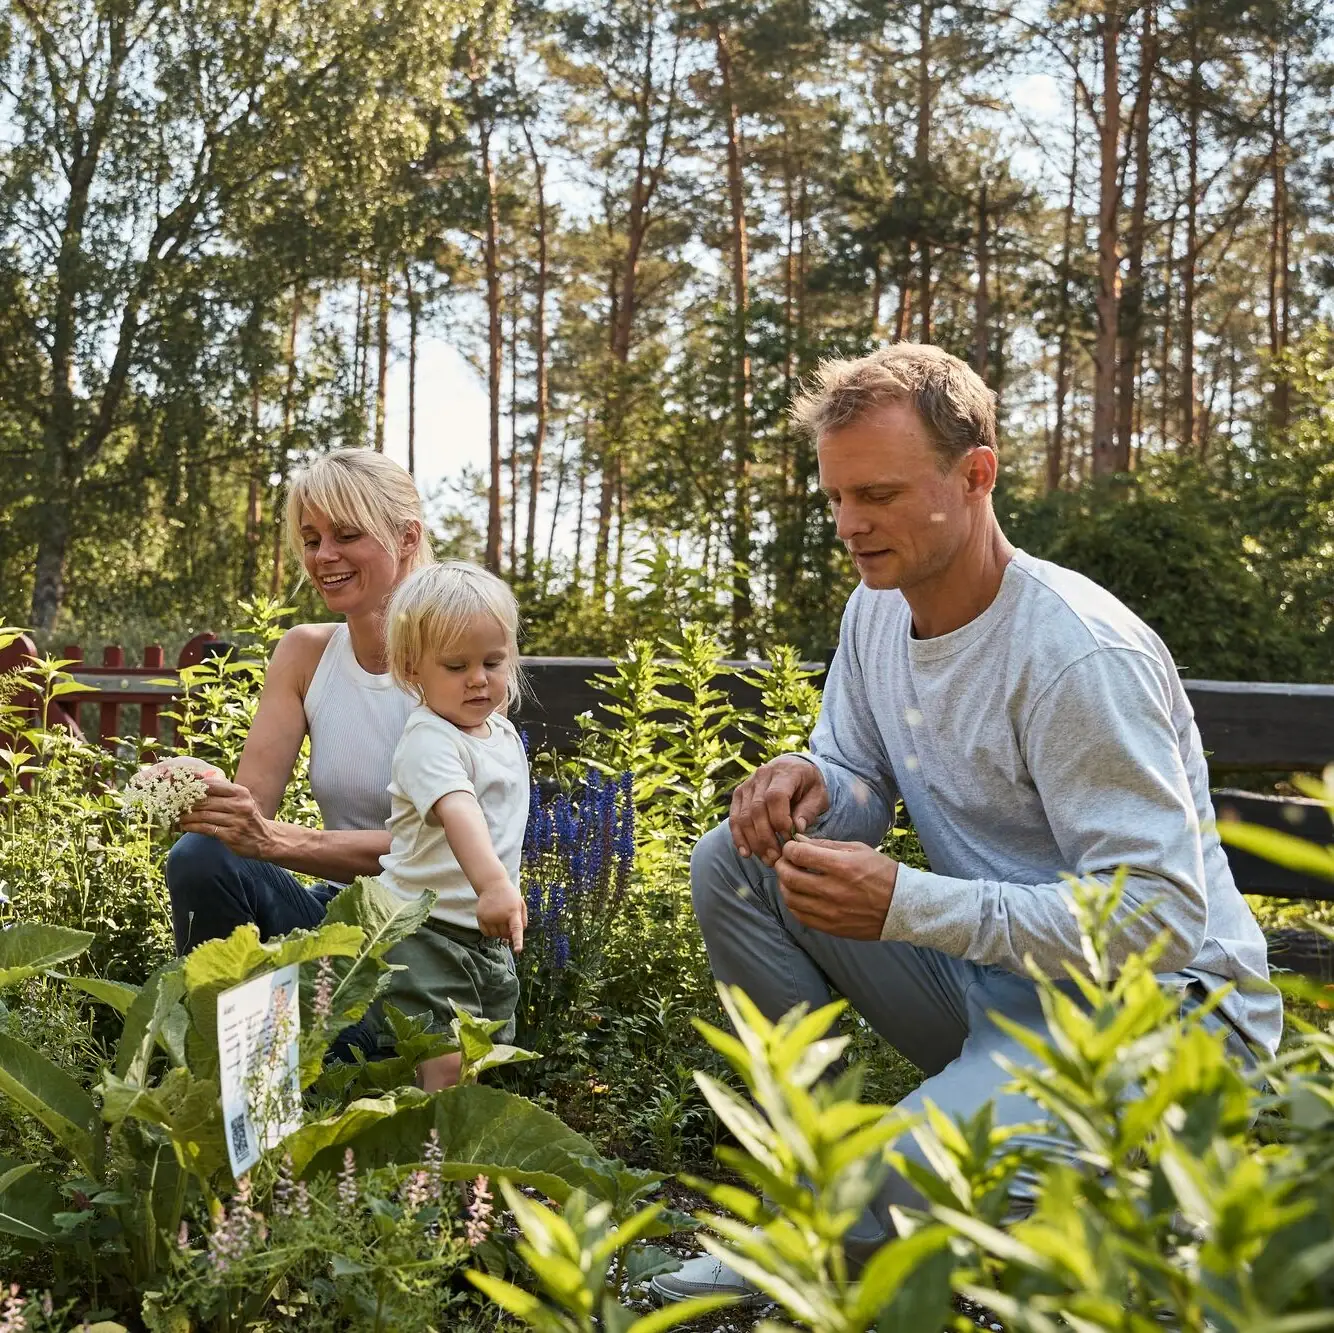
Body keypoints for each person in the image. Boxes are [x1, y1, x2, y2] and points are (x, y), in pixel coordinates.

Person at [650, 343, 1281, 1306]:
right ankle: (837, 1181)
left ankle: (876, 1212)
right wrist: (814, 780)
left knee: (884, 1202)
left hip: (1159, 1024)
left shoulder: (1074, 654)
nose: (851, 526)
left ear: (975, 474)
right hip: (998, 988)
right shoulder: (878, 607)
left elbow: (1155, 918)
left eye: (880, 495)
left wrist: (909, 901)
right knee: (737, 864)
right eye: (836, 499)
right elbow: (862, 776)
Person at [167, 448, 429, 1008]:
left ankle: (284, 1063)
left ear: (407, 538)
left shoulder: (459, 659)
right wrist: (202, 788)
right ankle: (227, 1066)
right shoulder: (304, 654)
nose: (324, 556)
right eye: (311, 540)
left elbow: (441, 846)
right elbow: (250, 813)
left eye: (347, 534)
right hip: (336, 922)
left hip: (432, 946)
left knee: (337, 1041)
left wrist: (282, 840)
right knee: (200, 856)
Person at [376, 560, 530, 1091]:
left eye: (492, 661)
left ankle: (457, 1164)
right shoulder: (428, 739)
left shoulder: (502, 736)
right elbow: (458, 809)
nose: (478, 678)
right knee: (441, 1060)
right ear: (412, 669)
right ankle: (428, 1170)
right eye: (456, 665)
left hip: (483, 933)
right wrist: (493, 885)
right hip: (424, 929)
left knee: (481, 1058)